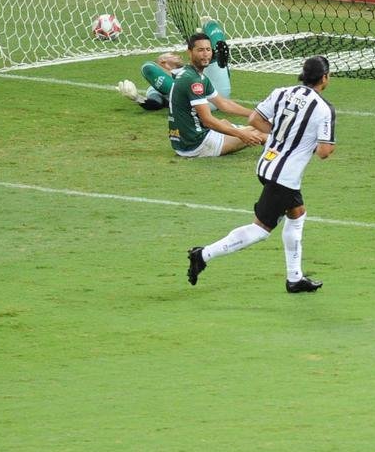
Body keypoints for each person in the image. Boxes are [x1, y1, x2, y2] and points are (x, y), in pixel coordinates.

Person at [187, 56, 336, 293]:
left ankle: (295, 278)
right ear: (325, 77)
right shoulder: (323, 108)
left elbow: (254, 119)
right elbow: (324, 152)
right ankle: (203, 254)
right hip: (284, 177)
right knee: (260, 230)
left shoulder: (281, 92)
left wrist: (280, 135)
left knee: (297, 214)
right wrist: (313, 143)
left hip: (267, 165)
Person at [168, 32, 265, 157]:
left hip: (181, 142)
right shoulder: (194, 81)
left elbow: (223, 104)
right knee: (259, 131)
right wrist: (242, 134)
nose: (205, 54)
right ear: (190, 52)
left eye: (208, 49)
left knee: (226, 123)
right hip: (197, 144)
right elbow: (208, 121)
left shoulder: (192, 74)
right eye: (200, 50)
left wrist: (255, 113)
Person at [117, 16, 233, 109]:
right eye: (171, 55)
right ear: (163, 62)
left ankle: (215, 52)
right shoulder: (154, 87)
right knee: (147, 67)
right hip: (198, 103)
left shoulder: (189, 68)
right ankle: (215, 55)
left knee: (211, 28)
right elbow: (155, 103)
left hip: (217, 92)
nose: (177, 55)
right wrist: (138, 98)